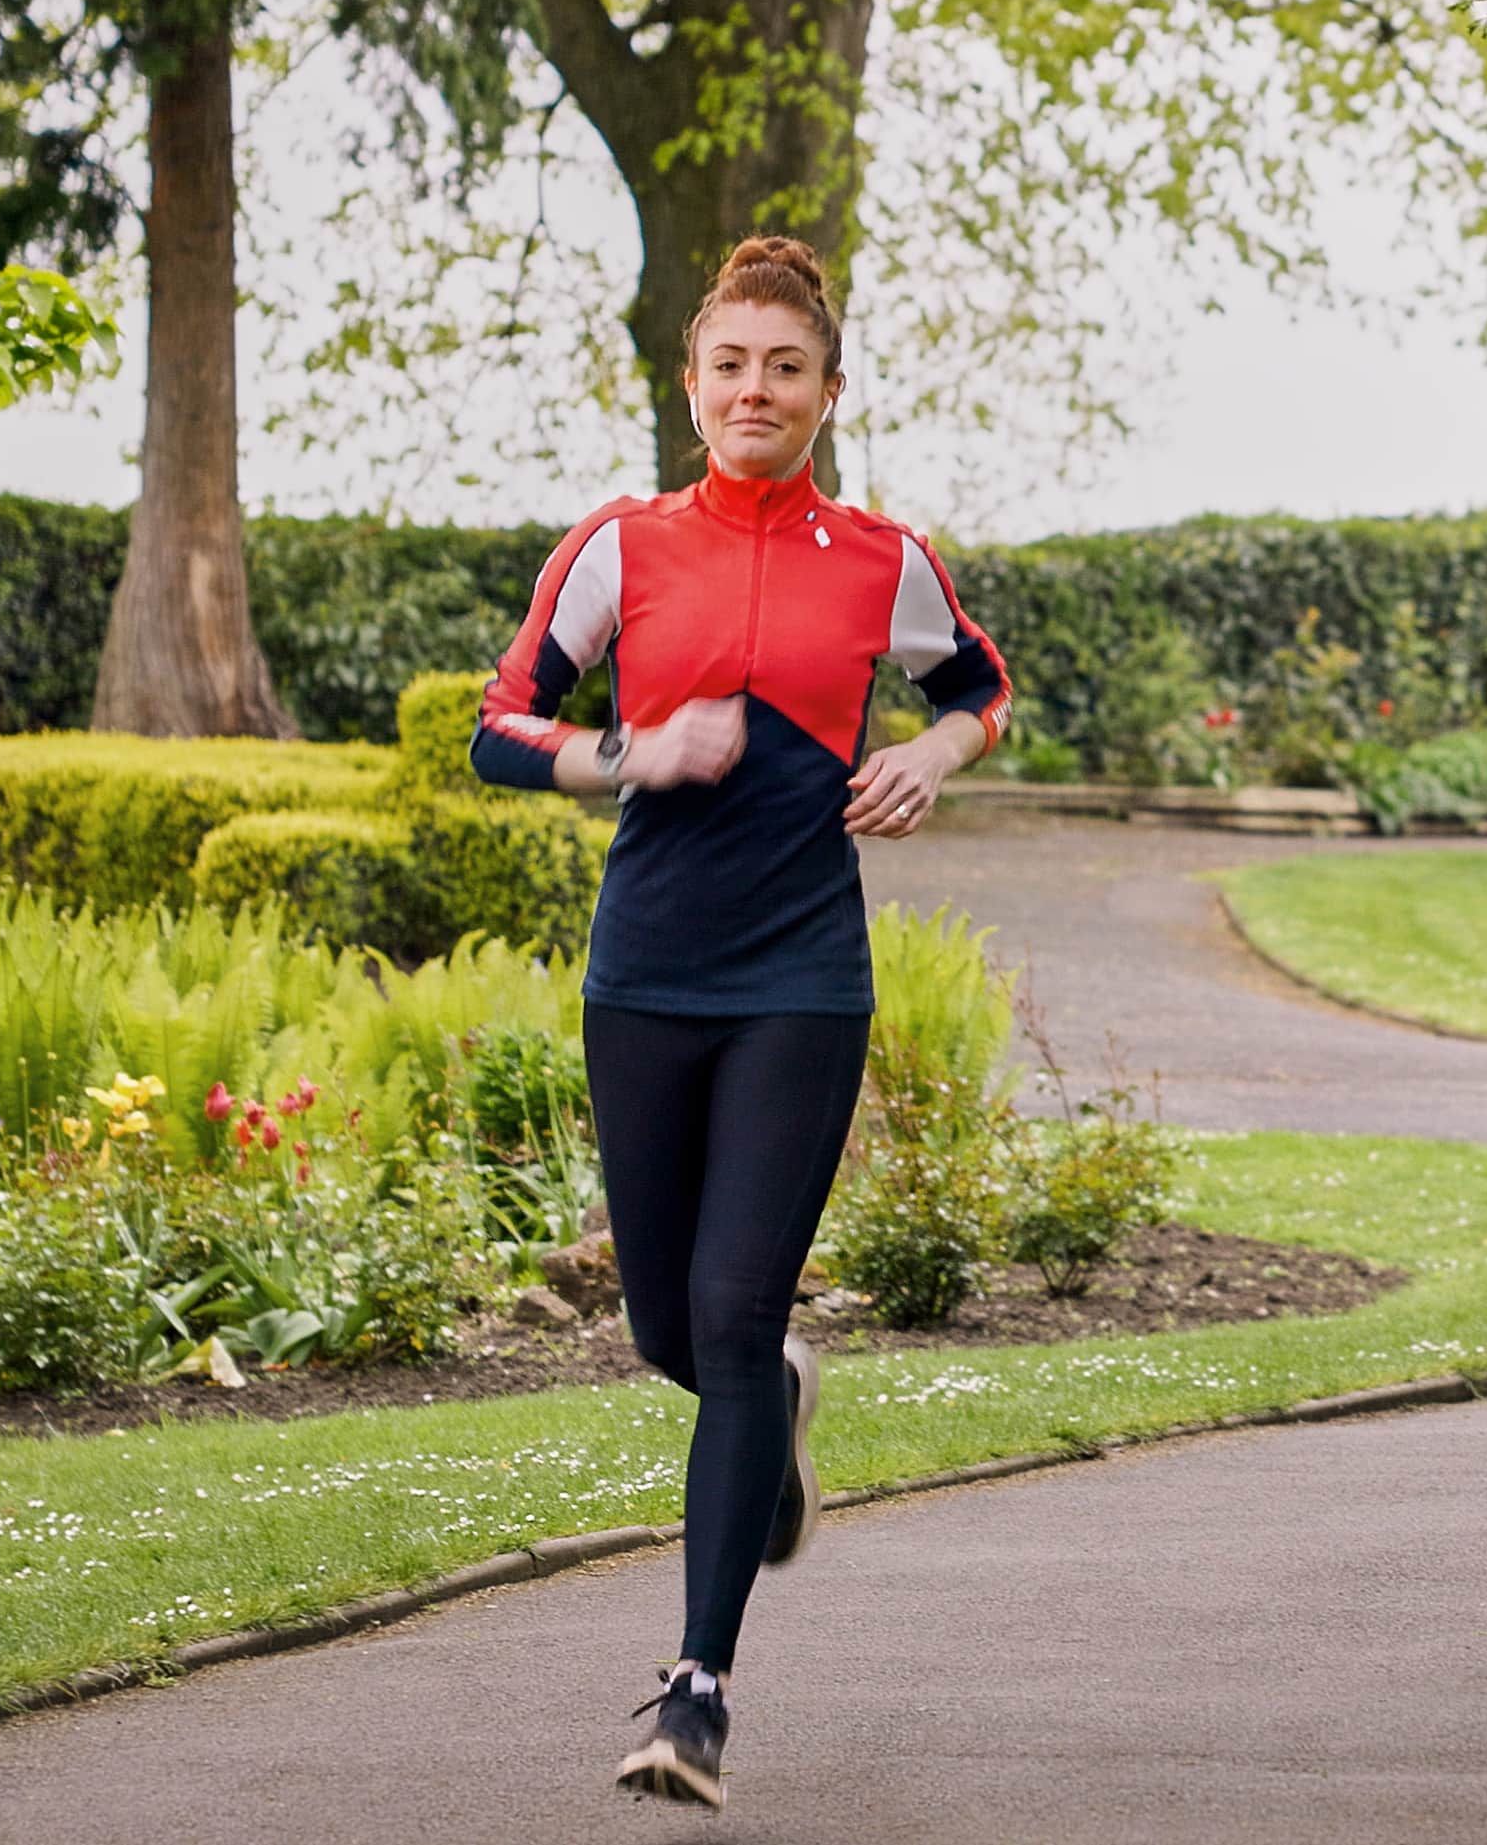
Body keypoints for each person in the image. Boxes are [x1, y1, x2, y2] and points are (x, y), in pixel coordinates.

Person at [470, 234, 1011, 1810]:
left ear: (827, 393)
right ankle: (769, 1399)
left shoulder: (883, 558)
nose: (755, 389)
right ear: (692, 384)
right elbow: (502, 729)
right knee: (668, 1329)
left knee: (722, 1307)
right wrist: (629, 752)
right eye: (731, 364)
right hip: (644, 970)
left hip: (800, 978)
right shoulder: (621, 547)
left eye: (786, 367)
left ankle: (694, 1689)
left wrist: (934, 761)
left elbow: (977, 685)